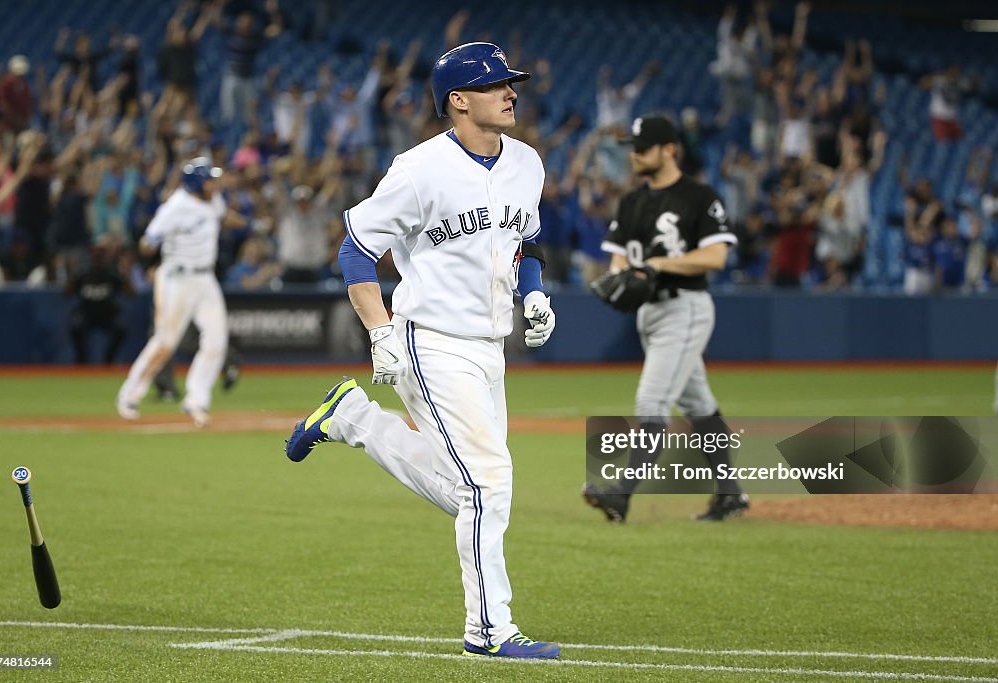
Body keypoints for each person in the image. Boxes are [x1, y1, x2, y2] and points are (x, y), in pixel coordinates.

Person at [283, 42, 559, 660]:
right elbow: (356, 250)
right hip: (428, 340)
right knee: (489, 484)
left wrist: (535, 294)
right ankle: (488, 632)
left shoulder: (527, 163)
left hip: (489, 346)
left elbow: (529, 241)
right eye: (497, 85)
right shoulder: (417, 169)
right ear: (458, 101)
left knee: (470, 489)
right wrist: (379, 329)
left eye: (512, 83)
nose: (512, 92)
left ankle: (351, 418)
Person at [583, 115, 749, 523]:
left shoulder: (698, 196)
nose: (634, 154)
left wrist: (659, 264)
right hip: (650, 312)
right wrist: (622, 275)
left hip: (685, 307)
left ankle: (620, 495)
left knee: (651, 401)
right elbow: (619, 255)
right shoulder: (632, 200)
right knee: (699, 404)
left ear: (669, 149)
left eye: (642, 147)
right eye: (632, 147)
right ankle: (730, 496)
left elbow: (716, 256)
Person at [116, 158, 229, 427]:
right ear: (196, 183)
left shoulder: (213, 200)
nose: (214, 184)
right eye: (209, 180)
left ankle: (196, 400)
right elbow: (147, 241)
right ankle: (130, 395)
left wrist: (250, 224)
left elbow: (222, 216)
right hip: (177, 278)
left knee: (216, 342)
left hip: (205, 278)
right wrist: (154, 250)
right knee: (166, 342)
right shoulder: (175, 207)